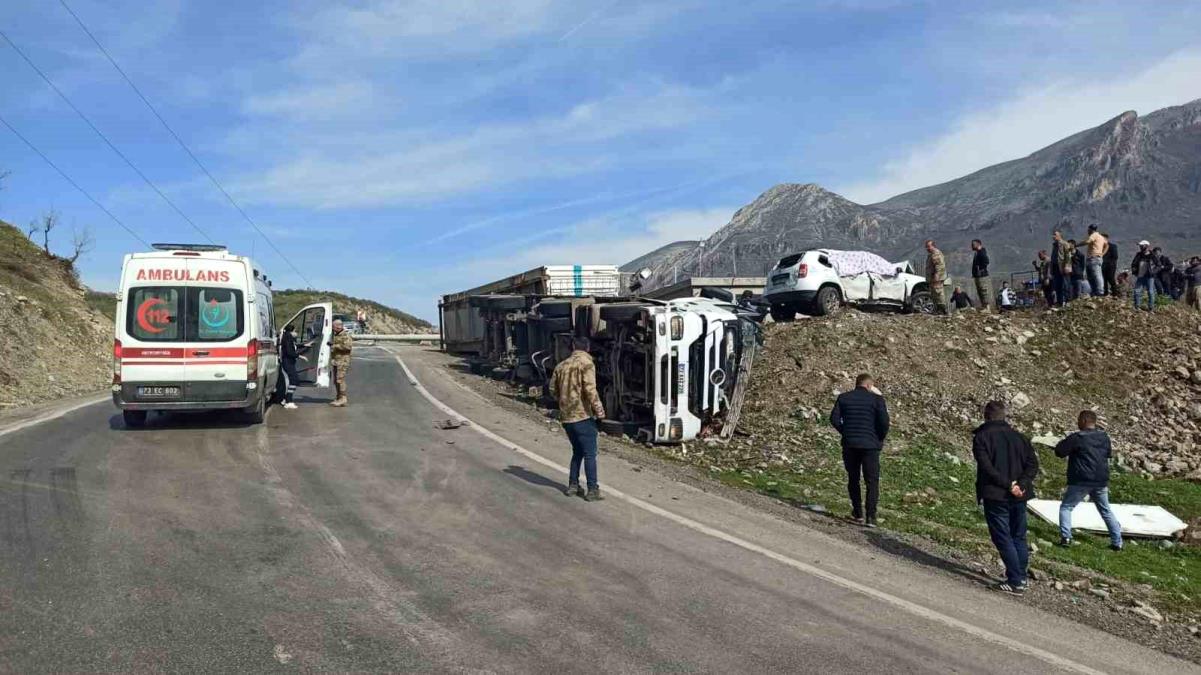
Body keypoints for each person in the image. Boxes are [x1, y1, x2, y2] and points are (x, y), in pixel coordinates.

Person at [972, 400, 1039, 595]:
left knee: (1003, 537)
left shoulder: (982, 437)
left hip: (996, 494)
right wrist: (1021, 484)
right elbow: (1032, 465)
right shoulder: (1020, 437)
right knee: (1018, 535)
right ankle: (1022, 577)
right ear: (1004, 416)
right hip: (1019, 494)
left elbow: (986, 467)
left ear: (986, 416)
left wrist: (1008, 484)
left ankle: (1015, 580)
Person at [1054, 410, 1123, 551]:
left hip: (1081, 480)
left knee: (1066, 507)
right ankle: (1118, 542)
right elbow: (1108, 454)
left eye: (1078, 420)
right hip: (1101, 480)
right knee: (1105, 510)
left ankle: (1066, 537)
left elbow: (1059, 451)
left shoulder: (1077, 437)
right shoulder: (1104, 437)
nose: (1077, 423)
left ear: (1084, 421)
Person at [550, 336, 606, 501]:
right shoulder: (587, 364)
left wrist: (563, 402)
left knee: (577, 452)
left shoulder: (561, 366)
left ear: (573, 347)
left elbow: (552, 389)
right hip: (582, 416)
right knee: (590, 453)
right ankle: (592, 489)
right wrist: (600, 411)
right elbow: (590, 390)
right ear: (587, 348)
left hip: (567, 418)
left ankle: (573, 485)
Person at [830, 374, 890, 527]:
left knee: (853, 478)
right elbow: (884, 423)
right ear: (870, 385)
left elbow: (834, 419)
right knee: (872, 481)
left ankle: (857, 513)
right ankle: (871, 517)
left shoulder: (844, 398)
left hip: (850, 444)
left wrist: (846, 432)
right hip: (870, 445)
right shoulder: (877, 400)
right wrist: (879, 438)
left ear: (856, 384)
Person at [1076, 224, 1108, 297]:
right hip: (1094, 257)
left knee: (1096, 275)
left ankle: (1100, 291)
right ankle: (1094, 291)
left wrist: (1076, 245)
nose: (1087, 231)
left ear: (1091, 229)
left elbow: (1087, 242)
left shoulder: (1094, 235)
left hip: (1094, 258)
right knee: (1091, 276)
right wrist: (1102, 253)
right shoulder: (1101, 237)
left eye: (1088, 229)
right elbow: (1107, 245)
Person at [278, 323, 304, 410]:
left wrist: (304, 345)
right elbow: (289, 351)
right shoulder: (288, 338)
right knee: (294, 380)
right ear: (292, 331)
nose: (296, 333)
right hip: (288, 362)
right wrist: (299, 356)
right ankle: (289, 401)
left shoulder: (288, 337)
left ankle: (286, 399)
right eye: (295, 331)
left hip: (288, 362)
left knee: (293, 380)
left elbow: (294, 346)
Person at [328, 319, 353, 406]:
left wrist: (334, 346)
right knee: (335, 381)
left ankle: (343, 398)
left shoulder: (345, 335)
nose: (332, 328)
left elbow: (347, 347)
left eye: (333, 327)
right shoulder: (336, 335)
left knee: (340, 380)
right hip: (336, 361)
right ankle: (338, 397)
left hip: (343, 361)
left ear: (338, 326)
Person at [1131, 241, 1160, 312]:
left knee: (1150, 292)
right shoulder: (1138, 255)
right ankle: (1137, 306)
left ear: (1147, 246)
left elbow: (1158, 265)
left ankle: (1151, 308)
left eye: (1142, 246)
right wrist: (1134, 271)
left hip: (1149, 276)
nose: (1140, 247)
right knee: (1137, 291)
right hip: (1140, 275)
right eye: (1140, 246)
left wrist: (1153, 272)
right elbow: (1134, 264)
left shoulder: (1152, 255)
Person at [925, 239, 948, 315]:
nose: (927, 248)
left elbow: (939, 265)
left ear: (933, 246)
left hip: (936, 278)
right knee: (934, 293)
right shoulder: (931, 254)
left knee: (938, 293)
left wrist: (937, 276)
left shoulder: (936, 253)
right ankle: (937, 309)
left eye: (929, 246)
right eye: (926, 247)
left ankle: (942, 309)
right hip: (932, 278)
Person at [1052, 231, 1073, 307]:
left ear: (1059, 236)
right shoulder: (1054, 245)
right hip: (1056, 267)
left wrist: (1067, 265)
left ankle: (1068, 300)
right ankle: (1060, 301)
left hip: (1063, 266)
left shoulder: (1064, 244)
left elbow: (1067, 255)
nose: (1053, 236)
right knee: (1058, 285)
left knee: (1066, 284)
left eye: (1055, 235)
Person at [971, 239, 992, 311]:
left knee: (983, 291)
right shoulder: (977, 253)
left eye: (973, 244)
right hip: (977, 275)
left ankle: (987, 307)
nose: (971, 246)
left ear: (978, 244)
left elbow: (986, 261)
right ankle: (983, 306)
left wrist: (980, 269)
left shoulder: (982, 252)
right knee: (980, 291)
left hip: (982, 275)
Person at [1102, 233, 1119, 298]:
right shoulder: (1100, 248)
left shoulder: (1112, 246)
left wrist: (1107, 262)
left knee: (1111, 279)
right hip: (1103, 266)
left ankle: (1115, 293)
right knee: (1104, 280)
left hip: (1110, 266)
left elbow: (1115, 256)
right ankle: (1105, 293)